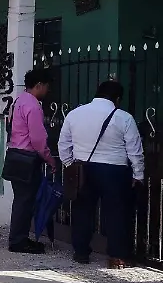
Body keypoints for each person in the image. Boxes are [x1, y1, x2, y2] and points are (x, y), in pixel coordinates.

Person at [59, 80, 145, 268]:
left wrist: (70, 165)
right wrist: (138, 174)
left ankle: (81, 252)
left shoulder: (75, 114)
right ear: (118, 99)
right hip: (115, 171)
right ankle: (117, 257)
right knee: (116, 213)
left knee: (82, 211)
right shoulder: (124, 118)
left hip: (83, 167)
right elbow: (135, 150)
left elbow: (63, 144)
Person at [3, 69, 55, 254]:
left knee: (21, 200)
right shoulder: (33, 106)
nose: (48, 90)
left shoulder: (18, 101)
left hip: (15, 154)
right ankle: (18, 241)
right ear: (39, 85)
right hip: (27, 158)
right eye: (47, 86)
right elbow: (38, 139)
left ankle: (19, 238)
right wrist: (50, 159)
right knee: (25, 201)